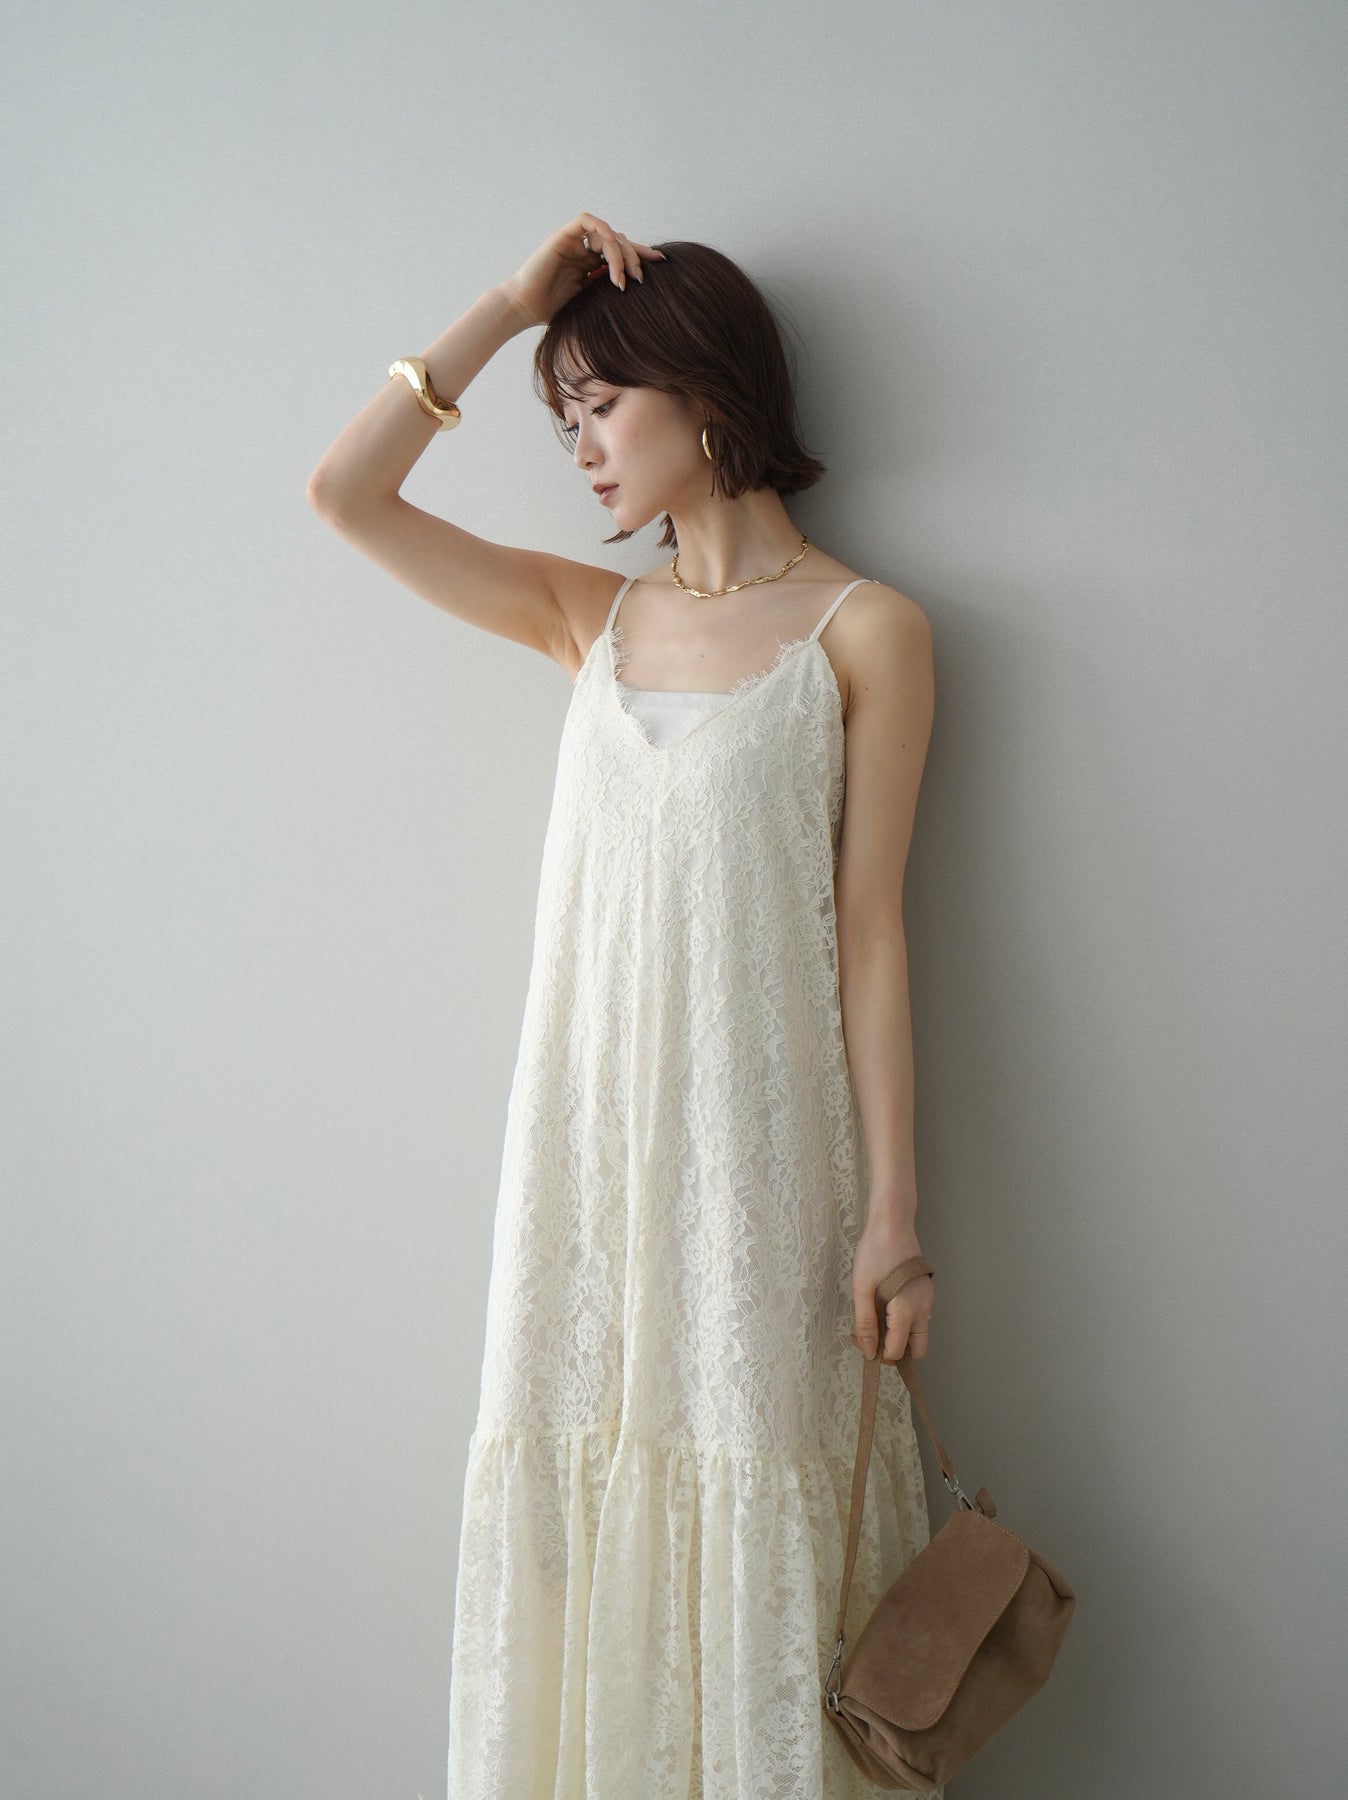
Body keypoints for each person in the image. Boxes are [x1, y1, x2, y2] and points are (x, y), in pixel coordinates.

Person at [307, 212, 941, 1799]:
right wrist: (507, 305)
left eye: (600, 405)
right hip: (585, 1165)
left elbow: (873, 932)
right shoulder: (589, 621)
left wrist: (894, 1216)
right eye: (564, 418)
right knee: (583, 1496)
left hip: (761, 1174)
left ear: (705, 392)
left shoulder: (868, 631)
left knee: (758, 1491)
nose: (581, 448)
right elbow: (346, 494)